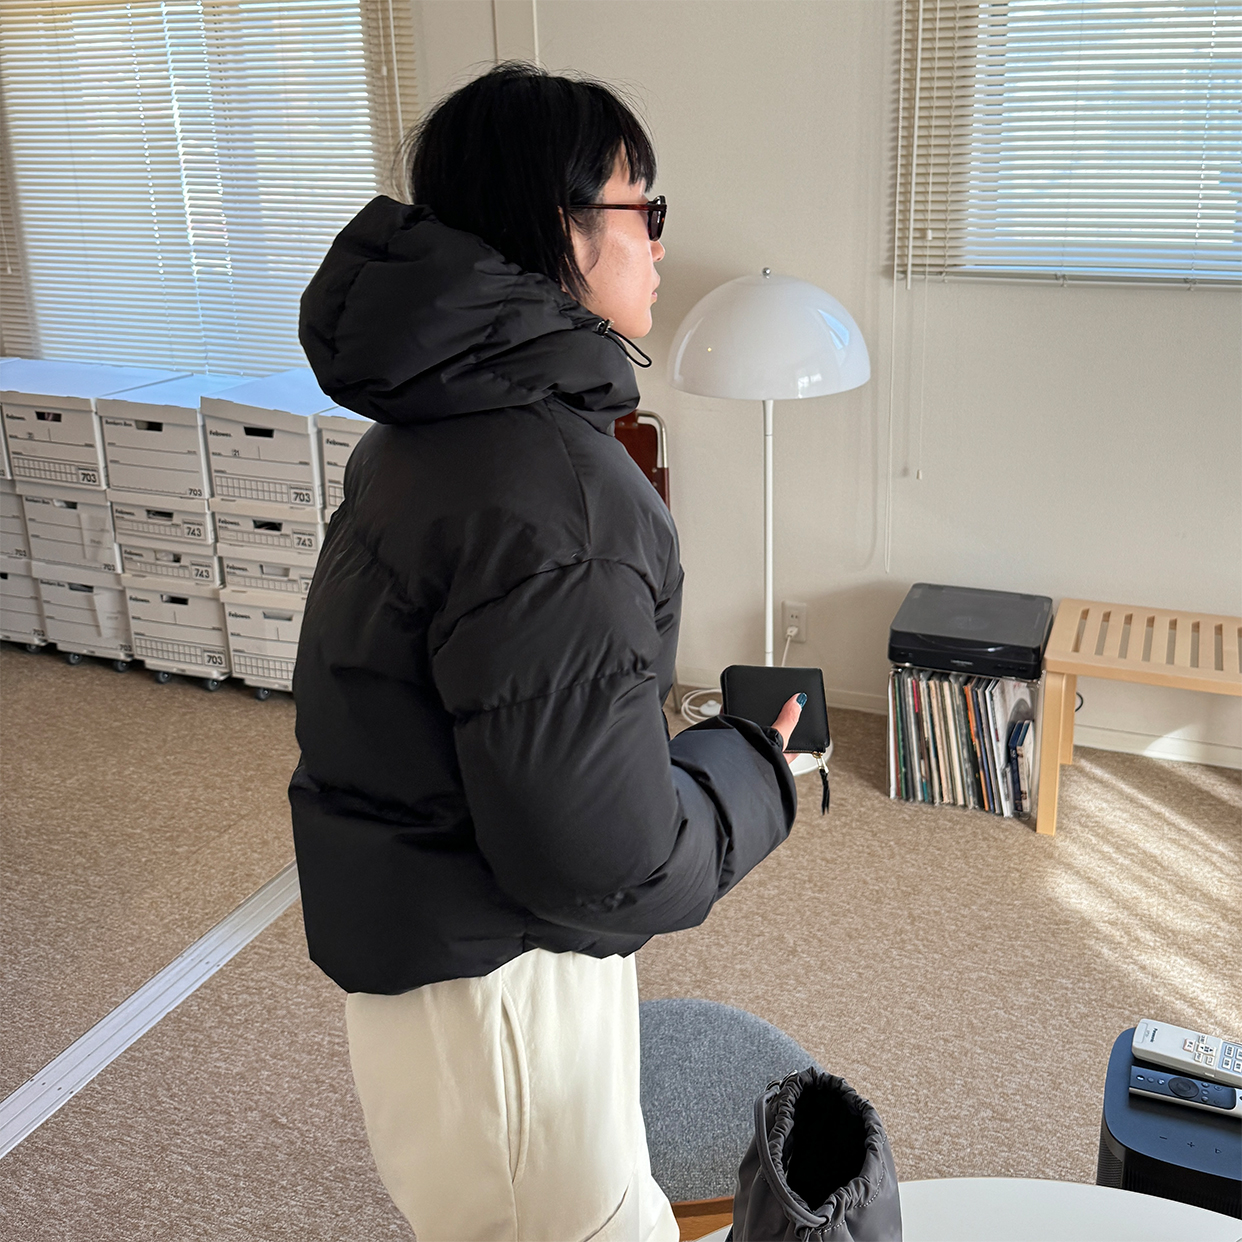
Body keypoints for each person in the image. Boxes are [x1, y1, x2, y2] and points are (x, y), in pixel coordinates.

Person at [291, 63, 803, 1242]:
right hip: (502, 996)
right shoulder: (560, 502)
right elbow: (600, 861)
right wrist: (754, 774)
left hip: (438, 963)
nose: (661, 243)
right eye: (643, 208)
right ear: (558, 227)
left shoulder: (431, 427)